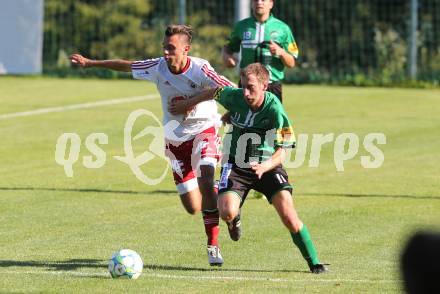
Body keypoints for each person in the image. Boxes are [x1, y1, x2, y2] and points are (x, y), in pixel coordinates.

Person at [70, 24, 235, 267]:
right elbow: (126, 65)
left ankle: (214, 243)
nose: (166, 53)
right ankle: (223, 206)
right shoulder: (157, 67)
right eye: (164, 48)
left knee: (207, 178)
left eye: (171, 48)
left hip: (205, 130)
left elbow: (230, 89)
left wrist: (226, 110)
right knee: (192, 206)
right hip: (175, 139)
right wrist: (90, 63)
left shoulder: (201, 69)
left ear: (186, 49)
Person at [169, 63, 328, 274]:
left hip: (268, 166)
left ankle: (314, 262)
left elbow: (285, 147)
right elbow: (213, 92)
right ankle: (234, 219)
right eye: (243, 86)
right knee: (226, 212)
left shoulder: (274, 109)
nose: (245, 92)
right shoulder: (234, 96)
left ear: (264, 86)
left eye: (251, 87)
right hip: (236, 164)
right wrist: (188, 104)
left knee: (289, 216)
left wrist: (266, 165)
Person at [222, 0, 298, 102]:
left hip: (272, 85)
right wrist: (226, 57)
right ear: (252, 3)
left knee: (271, 118)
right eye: (255, 0)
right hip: (246, 86)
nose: (259, 2)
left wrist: (281, 52)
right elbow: (228, 48)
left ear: (271, 3)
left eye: (263, 0)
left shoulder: (283, 28)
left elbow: (291, 63)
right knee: (243, 118)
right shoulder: (241, 26)